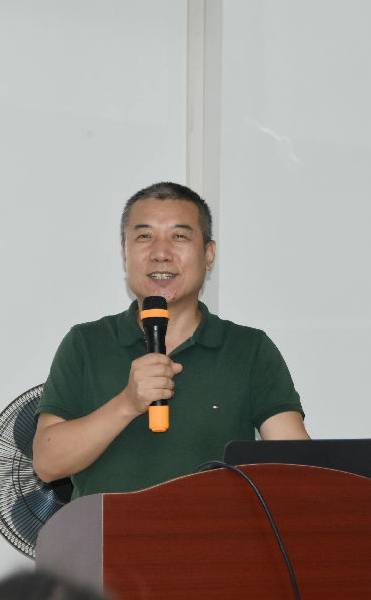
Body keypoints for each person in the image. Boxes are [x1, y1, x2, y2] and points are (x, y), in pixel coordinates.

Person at [33, 182, 308, 499]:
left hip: (214, 531)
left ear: (208, 254)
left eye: (179, 236)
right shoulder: (86, 343)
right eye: (144, 237)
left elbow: (298, 467)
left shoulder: (250, 349)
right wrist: (127, 403)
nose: (161, 253)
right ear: (125, 253)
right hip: (107, 531)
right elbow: (47, 464)